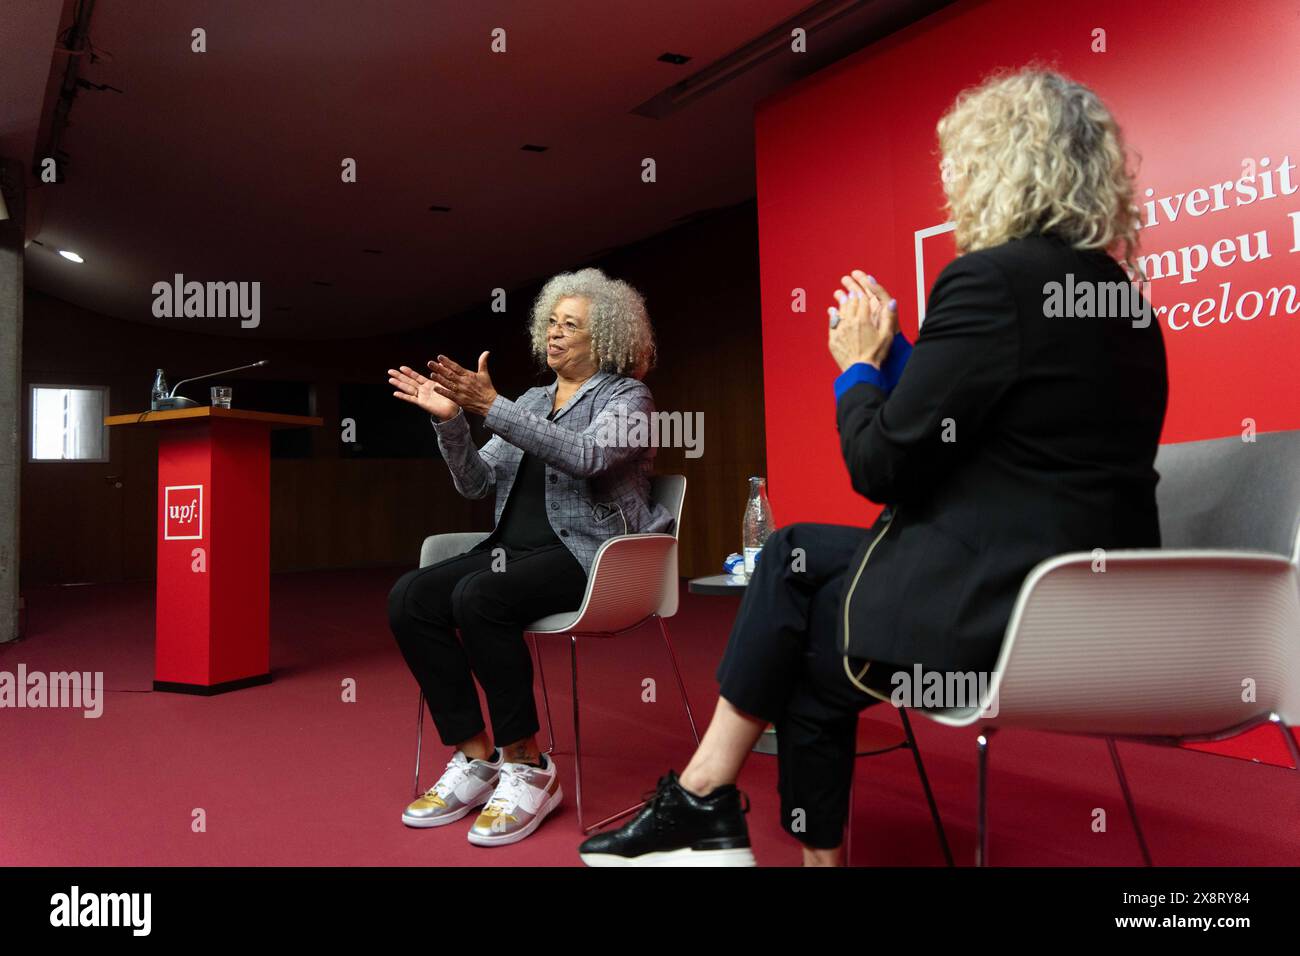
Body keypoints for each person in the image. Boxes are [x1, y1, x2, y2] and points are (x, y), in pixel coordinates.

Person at [579, 67, 1169, 867]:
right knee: (794, 570)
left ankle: (717, 811)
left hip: (1004, 608)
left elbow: (884, 466)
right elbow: (992, 434)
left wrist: (856, 366)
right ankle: (706, 798)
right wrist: (901, 360)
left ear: (996, 167)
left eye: (958, 165)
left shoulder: (990, 279)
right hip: (1088, 606)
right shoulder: (1117, 297)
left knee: (802, 623)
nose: (950, 185)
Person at [386, 267, 672, 847]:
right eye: (551, 323)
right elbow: (476, 483)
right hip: (512, 554)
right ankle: (476, 757)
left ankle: (529, 766)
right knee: (411, 596)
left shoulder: (628, 398)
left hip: (588, 557)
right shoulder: (535, 399)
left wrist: (493, 407)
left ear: (608, 338)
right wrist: (453, 425)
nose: (555, 334)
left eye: (571, 325)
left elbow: (588, 456)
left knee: (479, 597)